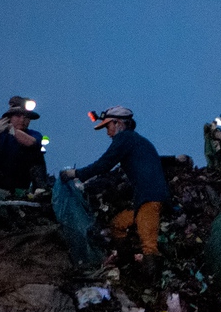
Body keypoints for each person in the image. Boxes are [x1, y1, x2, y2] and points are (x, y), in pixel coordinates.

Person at [59, 106, 169, 279]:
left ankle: (151, 283)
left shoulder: (124, 139)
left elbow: (104, 164)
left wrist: (75, 174)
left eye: (108, 126)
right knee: (118, 225)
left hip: (150, 197)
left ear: (118, 123)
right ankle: (128, 266)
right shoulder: (137, 141)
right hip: (144, 197)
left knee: (149, 244)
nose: (108, 132)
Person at [0, 96, 48, 192]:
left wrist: (12, 131)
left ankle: (40, 190)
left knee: (36, 152)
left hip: (19, 180)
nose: (22, 120)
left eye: (26, 117)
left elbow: (31, 143)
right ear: (9, 118)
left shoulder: (34, 134)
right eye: (18, 116)